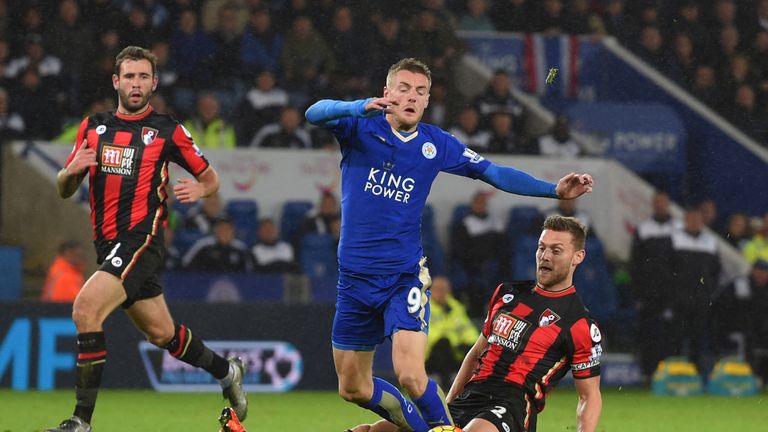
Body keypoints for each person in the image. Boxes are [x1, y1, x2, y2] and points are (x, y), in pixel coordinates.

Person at [305, 57, 594, 432]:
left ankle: (441, 426)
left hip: (401, 277)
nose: (412, 97)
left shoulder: (435, 144)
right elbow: (314, 112)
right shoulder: (360, 126)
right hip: (355, 281)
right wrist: (355, 106)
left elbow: (493, 172)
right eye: (404, 88)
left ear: (427, 102)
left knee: (410, 374)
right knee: (353, 388)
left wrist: (552, 189)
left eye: (420, 92)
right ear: (387, 92)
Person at [47, 46, 247, 432]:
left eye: (143, 77)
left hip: (143, 239)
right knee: (161, 333)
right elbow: (63, 188)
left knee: (86, 309)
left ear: (153, 83)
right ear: (116, 81)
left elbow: (211, 178)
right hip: (107, 244)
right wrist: (70, 172)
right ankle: (227, 372)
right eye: (129, 76)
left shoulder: (168, 130)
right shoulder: (93, 127)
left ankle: (80, 421)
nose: (136, 84)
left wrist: (201, 192)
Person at [348, 215, 603, 432]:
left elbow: (589, 395)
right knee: (373, 430)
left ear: (578, 256)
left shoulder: (579, 322)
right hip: (471, 395)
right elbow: (476, 353)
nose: (545, 256)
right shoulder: (507, 293)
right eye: (541, 247)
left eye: (556, 250)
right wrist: (444, 410)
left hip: (512, 404)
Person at [425, 276, 477, 390]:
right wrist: (453, 343)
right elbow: (428, 333)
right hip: (429, 353)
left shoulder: (455, 307)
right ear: (431, 290)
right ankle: (444, 383)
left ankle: (467, 384)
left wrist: (473, 344)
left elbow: (467, 328)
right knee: (443, 344)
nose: (441, 293)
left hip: (453, 352)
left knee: (473, 349)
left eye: (444, 290)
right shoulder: (424, 306)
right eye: (438, 289)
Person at [183, 217, 253, 273]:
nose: (225, 233)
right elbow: (186, 264)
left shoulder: (240, 248)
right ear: (215, 231)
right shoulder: (203, 245)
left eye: (228, 230)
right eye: (222, 230)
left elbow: (249, 272)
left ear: (233, 232)